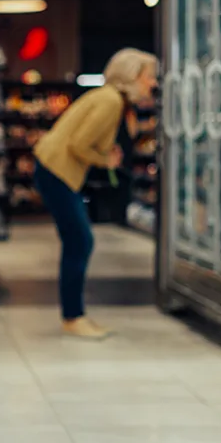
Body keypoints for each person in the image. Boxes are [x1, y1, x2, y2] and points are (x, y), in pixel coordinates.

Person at [32, 48, 157, 339]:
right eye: (148, 76)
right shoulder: (111, 101)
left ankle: (73, 314)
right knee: (80, 241)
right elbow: (78, 145)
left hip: (54, 171)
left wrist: (102, 152)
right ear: (132, 76)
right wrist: (105, 160)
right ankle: (73, 316)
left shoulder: (108, 97)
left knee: (78, 241)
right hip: (57, 172)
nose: (152, 83)